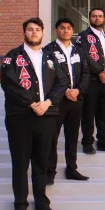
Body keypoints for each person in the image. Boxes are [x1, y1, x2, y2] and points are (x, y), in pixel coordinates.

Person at [1, 17, 67, 210]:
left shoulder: (51, 57)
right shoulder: (13, 57)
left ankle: (41, 203)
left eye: (37, 29)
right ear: (24, 33)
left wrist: (48, 103)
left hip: (47, 116)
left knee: (42, 162)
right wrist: (31, 102)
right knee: (20, 163)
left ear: (42, 32)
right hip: (20, 117)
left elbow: (62, 81)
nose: (34, 32)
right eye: (30, 29)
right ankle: (20, 205)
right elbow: (9, 83)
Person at [44, 17, 90, 184]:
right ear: (56, 30)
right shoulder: (48, 50)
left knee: (72, 136)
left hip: (75, 100)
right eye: (62, 28)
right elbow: (49, 75)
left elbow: (86, 74)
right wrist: (64, 91)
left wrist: (78, 90)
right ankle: (50, 171)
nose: (66, 31)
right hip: (57, 101)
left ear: (72, 31)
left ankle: (72, 168)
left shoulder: (79, 50)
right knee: (52, 137)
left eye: (69, 28)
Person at [76, 8, 105, 154]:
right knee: (88, 114)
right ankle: (88, 142)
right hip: (91, 81)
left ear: (104, 19)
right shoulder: (83, 37)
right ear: (89, 18)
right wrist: (99, 72)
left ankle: (103, 141)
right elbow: (84, 56)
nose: (97, 18)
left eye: (100, 16)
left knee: (103, 114)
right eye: (94, 16)